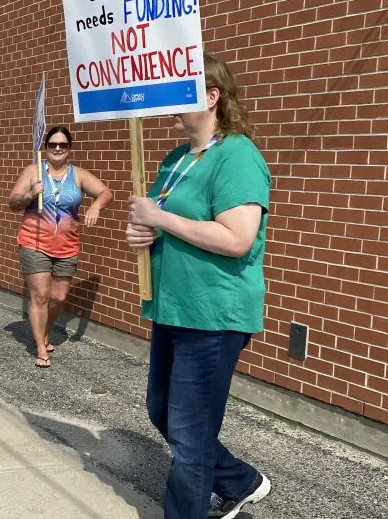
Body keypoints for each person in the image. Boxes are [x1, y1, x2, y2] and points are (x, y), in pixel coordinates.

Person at [125, 53, 272, 519]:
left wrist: (161, 217)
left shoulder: (238, 155)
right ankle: (241, 481)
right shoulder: (176, 158)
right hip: (172, 307)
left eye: (180, 91)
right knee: (162, 412)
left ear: (213, 96)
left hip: (213, 315)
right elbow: (159, 223)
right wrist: (141, 232)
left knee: (189, 438)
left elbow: (237, 237)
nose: (170, 102)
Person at [7, 125, 112, 368]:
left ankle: (44, 329)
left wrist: (96, 206)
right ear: (45, 147)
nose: (57, 148)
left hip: (67, 245)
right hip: (34, 242)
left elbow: (106, 192)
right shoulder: (34, 171)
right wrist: (30, 194)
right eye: (52, 144)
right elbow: (13, 202)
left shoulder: (78, 175)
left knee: (59, 296)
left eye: (62, 145)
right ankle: (41, 347)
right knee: (41, 295)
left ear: (69, 148)